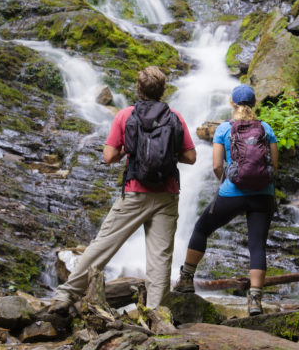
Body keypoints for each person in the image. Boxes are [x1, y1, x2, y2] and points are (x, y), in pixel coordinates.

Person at [47, 66, 197, 313]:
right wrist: (167, 154)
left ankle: (66, 295)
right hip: (167, 194)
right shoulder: (175, 117)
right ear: (162, 91)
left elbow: (108, 156)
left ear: (138, 89)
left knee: (103, 245)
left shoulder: (125, 116)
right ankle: (156, 316)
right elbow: (190, 157)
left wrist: (131, 150)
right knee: (160, 259)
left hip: (135, 192)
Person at [173, 83, 279, 316]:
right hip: (263, 195)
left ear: (232, 103)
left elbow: (216, 166)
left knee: (201, 228)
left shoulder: (223, 129)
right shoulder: (266, 128)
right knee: (257, 244)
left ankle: (186, 279)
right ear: (254, 103)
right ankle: (255, 301)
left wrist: (228, 182)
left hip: (232, 192)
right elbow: (274, 164)